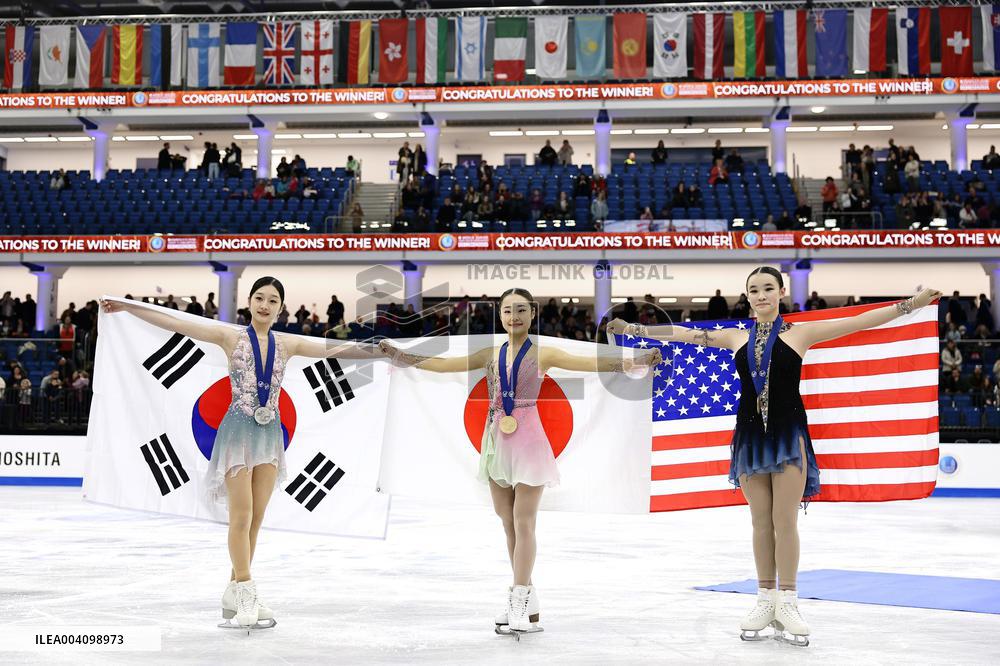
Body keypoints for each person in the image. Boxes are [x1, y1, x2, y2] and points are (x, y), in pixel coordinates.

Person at [608, 270, 941, 647]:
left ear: (781, 292)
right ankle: (765, 599)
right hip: (750, 438)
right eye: (754, 290)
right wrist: (633, 329)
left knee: (785, 521)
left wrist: (912, 304)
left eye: (768, 288)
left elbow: (859, 321)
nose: (761, 295)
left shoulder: (801, 333)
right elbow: (683, 333)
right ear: (747, 297)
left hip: (788, 436)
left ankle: (789, 601)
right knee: (760, 522)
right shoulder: (735, 336)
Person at [100, 277, 381, 629]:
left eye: (273, 300)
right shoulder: (229, 337)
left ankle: (234, 591)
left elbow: (335, 350)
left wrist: (381, 349)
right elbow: (176, 323)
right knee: (241, 516)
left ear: (281, 308)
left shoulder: (288, 343)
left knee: (257, 518)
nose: (265, 305)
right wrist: (128, 307)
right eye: (259, 298)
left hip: (269, 434)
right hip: (237, 434)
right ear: (249, 301)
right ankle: (247, 590)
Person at [379, 288, 660, 635]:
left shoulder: (543, 353)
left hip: (528, 441)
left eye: (522, 310)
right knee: (507, 522)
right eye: (509, 310)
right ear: (500, 315)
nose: (515, 316)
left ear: (532, 314)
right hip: (497, 441)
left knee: (524, 522)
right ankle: (528, 596)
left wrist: (637, 361)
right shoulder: (489, 354)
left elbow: (591, 363)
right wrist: (403, 357)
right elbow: (444, 365)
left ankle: (518, 599)